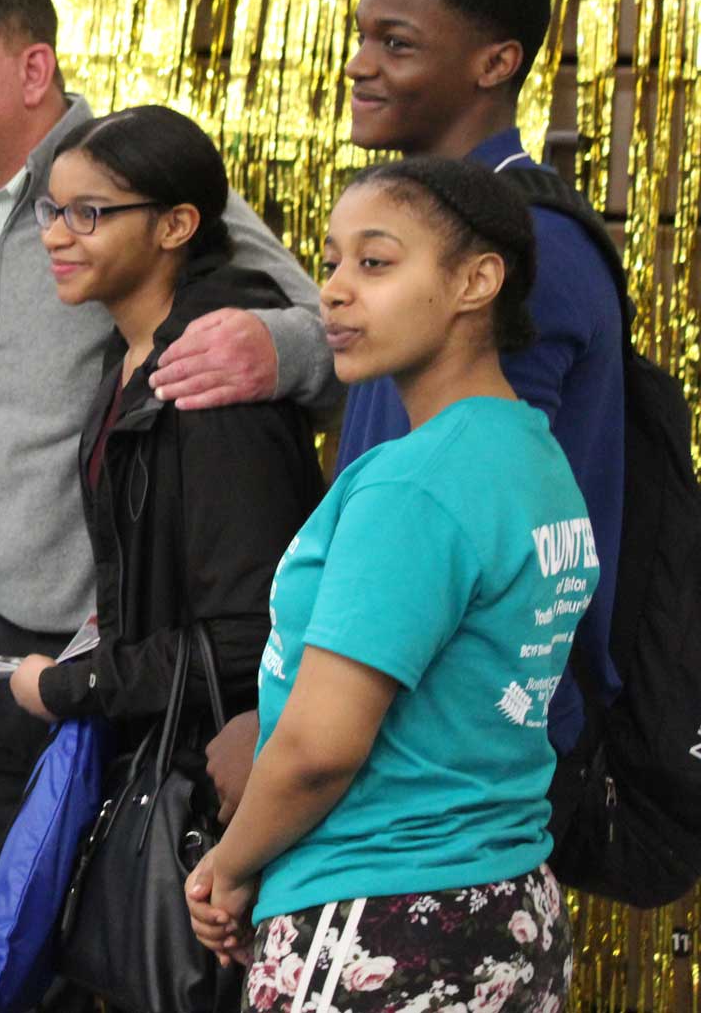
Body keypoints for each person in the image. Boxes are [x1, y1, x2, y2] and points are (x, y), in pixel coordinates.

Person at [0, 0, 337, 1005]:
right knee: (13, 941)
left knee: (127, 948)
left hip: (129, 659)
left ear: (33, 69)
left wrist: (281, 351)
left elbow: (334, 332)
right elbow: (26, 435)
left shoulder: (130, 185)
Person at [205, 0, 626, 824]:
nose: (359, 64)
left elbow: (447, 535)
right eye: (361, 35)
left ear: (495, 63)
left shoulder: (525, 249)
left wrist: (290, 739)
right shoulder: (456, 227)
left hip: (427, 770)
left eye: (396, 42)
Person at [186, 157, 591, 1011]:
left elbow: (319, 748)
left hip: (382, 920)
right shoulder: (532, 455)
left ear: (478, 280)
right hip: (509, 904)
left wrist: (230, 862)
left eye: (375, 263)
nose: (333, 291)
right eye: (331, 261)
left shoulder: (415, 486)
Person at [6, 105, 321, 777]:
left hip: (210, 771)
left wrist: (69, 689)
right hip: (153, 746)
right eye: (51, 212)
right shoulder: (127, 351)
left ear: (176, 224)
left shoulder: (209, 379)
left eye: (87, 214)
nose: (56, 237)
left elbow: (246, 636)